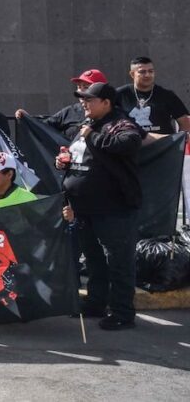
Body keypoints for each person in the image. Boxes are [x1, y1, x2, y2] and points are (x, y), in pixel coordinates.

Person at [57, 82, 144, 331]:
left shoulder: (121, 123)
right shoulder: (88, 125)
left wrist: (92, 136)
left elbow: (130, 142)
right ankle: (96, 303)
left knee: (119, 261)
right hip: (84, 208)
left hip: (113, 209)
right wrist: (63, 162)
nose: (84, 103)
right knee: (93, 259)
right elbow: (82, 156)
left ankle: (122, 313)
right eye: (83, 99)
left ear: (106, 103)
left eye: (89, 99)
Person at [16, 69, 107, 140]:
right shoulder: (70, 111)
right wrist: (28, 119)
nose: (81, 92)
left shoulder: (113, 119)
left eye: (86, 87)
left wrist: (92, 135)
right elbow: (45, 127)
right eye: (79, 87)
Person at [116, 56, 190, 135]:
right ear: (132, 74)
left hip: (163, 142)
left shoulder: (167, 95)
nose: (147, 75)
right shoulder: (120, 94)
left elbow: (185, 122)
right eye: (142, 72)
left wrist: (179, 140)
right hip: (131, 141)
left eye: (150, 71)